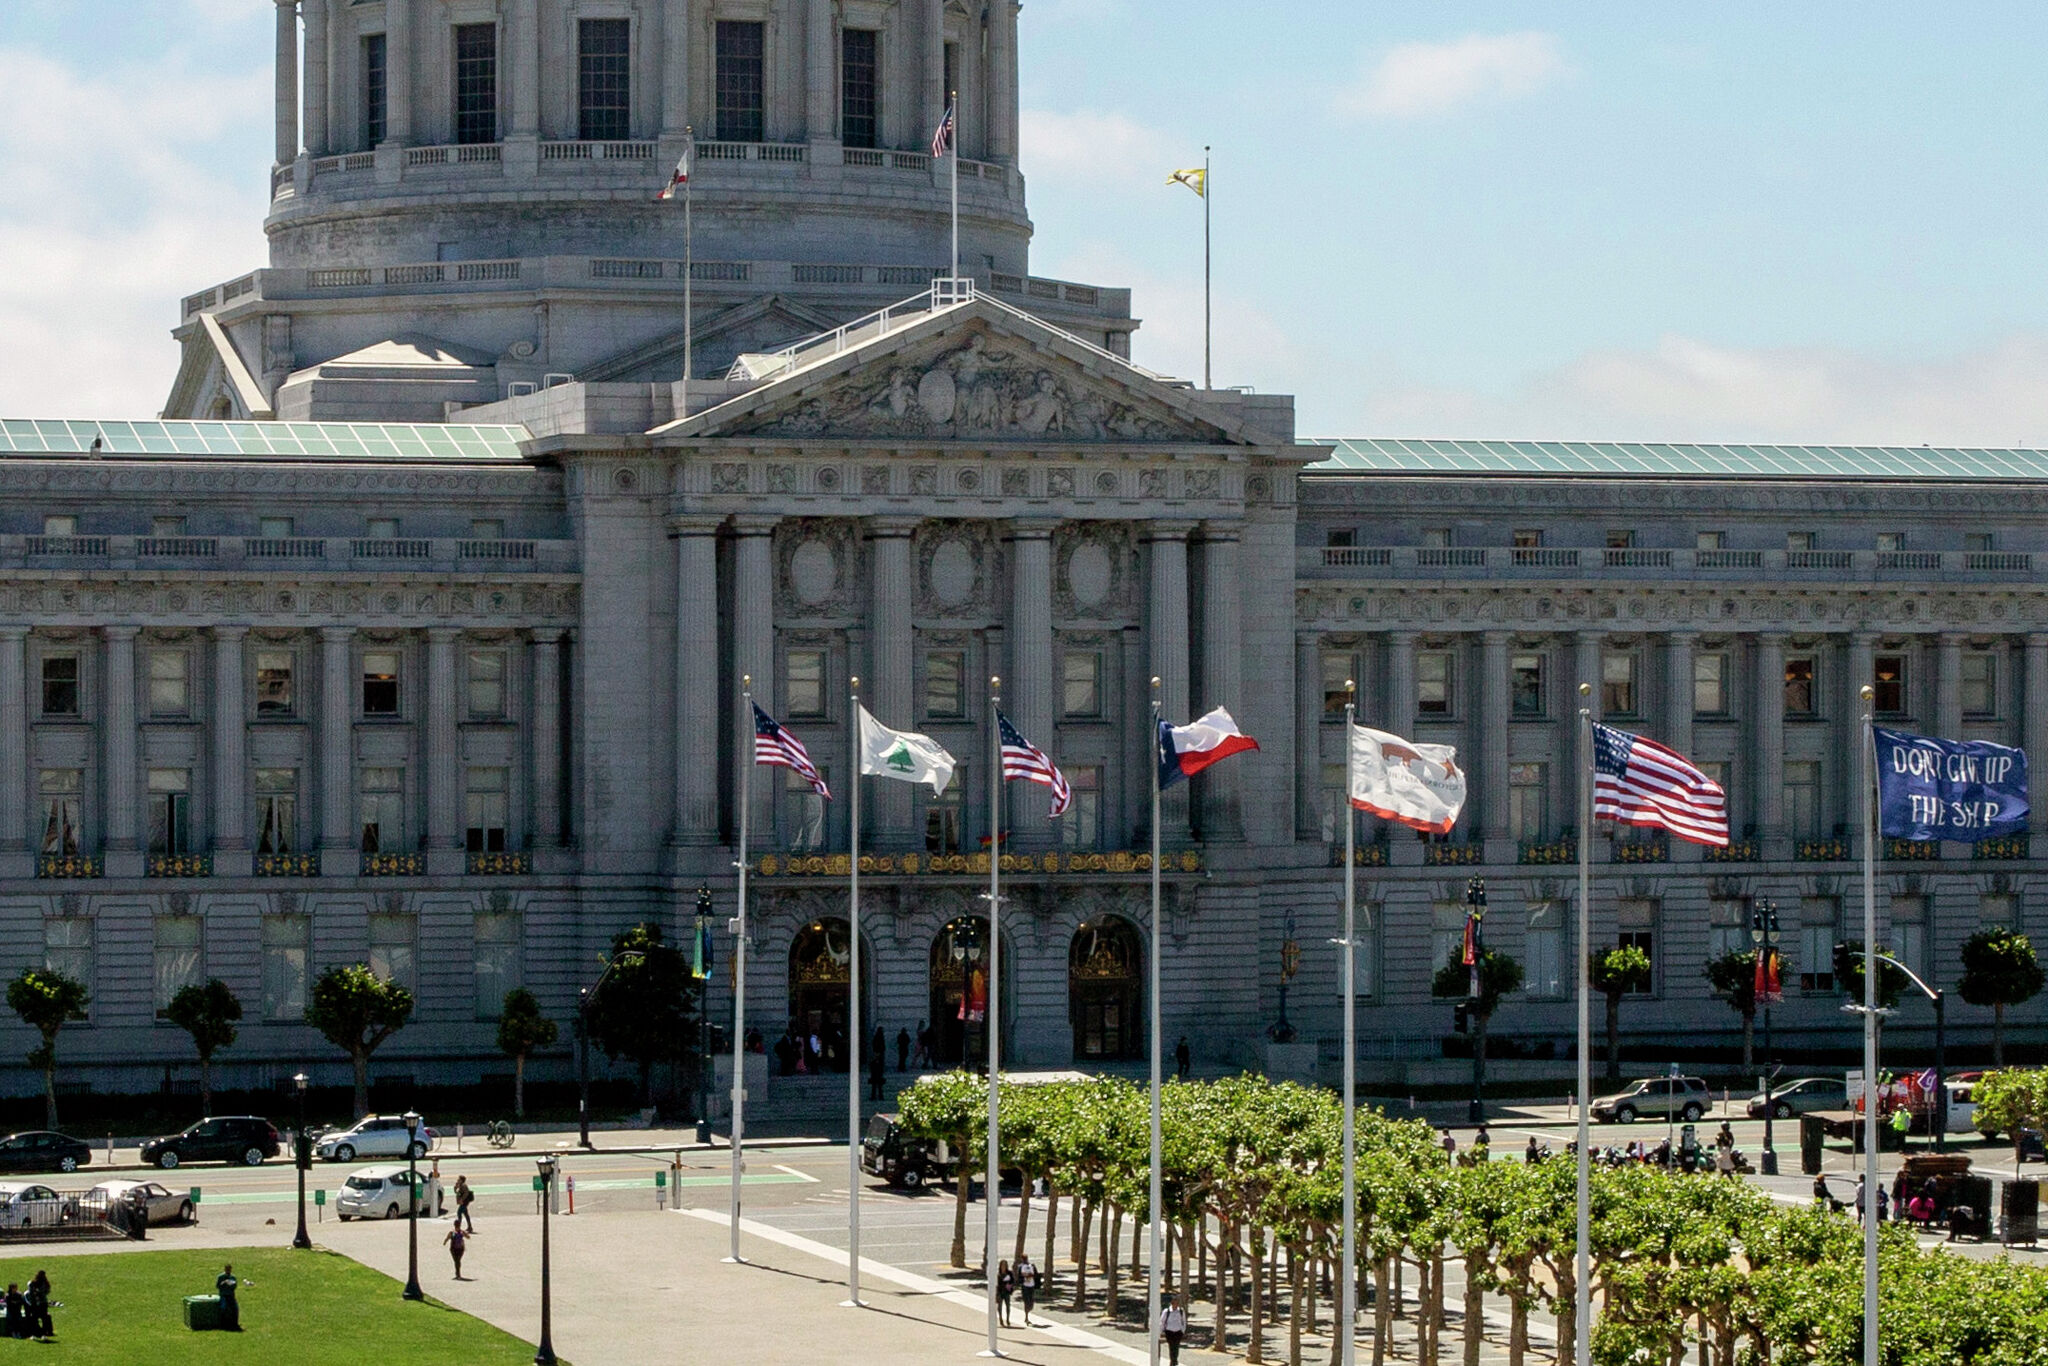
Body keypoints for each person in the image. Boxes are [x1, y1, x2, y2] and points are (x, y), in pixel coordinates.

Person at [1161, 1293, 1189, 1365]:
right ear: (1172, 1303)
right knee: (1171, 1347)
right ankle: (1173, 1361)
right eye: (1174, 1303)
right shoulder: (1167, 1311)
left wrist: (1182, 1330)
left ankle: (1174, 1360)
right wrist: (1162, 1331)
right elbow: (1162, 1321)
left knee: (1176, 1346)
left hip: (1178, 1332)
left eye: (1177, 1303)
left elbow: (1184, 1321)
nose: (1176, 1305)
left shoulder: (1181, 1311)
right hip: (1169, 1331)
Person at [1014, 1254, 1039, 1325]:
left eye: (1026, 1258)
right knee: (1026, 1300)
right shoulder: (1021, 1266)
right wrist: (1024, 1278)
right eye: (1023, 1259)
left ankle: (1029, 1309)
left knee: (1031, 1300)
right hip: (1025, 1286)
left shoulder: (1031, 1266)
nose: (1025, 1260)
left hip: (1031, 1285)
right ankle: (1026, 1317)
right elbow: (1019, 1276)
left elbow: (1035, 1274)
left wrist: (1031, 1276)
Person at [215, 1264, 240, 1331]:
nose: (228, 1271)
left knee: (235, 1308)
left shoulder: (233, 1277)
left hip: (231, 1295)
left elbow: (235, 1287)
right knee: (223, 1308)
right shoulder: (220, 1277)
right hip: (223, 1295)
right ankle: (222, 1324)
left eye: (229, 1269)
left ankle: (235, 1323)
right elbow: (217, 1286)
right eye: (227, 1269)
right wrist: (223, 1283)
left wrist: (231, 1285)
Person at [26, 1271, 50, 1340]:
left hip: (38, 1303)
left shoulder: (36, 1283)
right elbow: (46, 1292)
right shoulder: (44, 1283)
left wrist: (37, 1293)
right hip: (40, 1303)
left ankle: (36, 1334)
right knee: (41, 1319)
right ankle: (41, 1334)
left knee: (35, 1319)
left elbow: (45, 1292)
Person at [996, 1259, 1015, 1328]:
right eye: (1002, 1265)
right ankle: (1001, 1319)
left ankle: (1007, 1319)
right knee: (999, 1307)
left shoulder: (1009, 1273)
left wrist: (1010, 1286)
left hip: (1007, 1292)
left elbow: (1013, 1281)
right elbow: (997, 1284)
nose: (1003, 1267)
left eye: (1005, 1265)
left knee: (1008, 1306)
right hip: (1000, 1292)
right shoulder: (998, 1274)